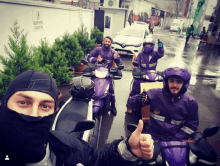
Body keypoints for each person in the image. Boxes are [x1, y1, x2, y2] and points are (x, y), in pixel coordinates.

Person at [0, 69, 154, 166]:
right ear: (5, 105)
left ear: (54, 110)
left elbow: (97, 160)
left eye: (45, 106)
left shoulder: (68, 146)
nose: (34, 114)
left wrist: (127, 150)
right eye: (23, 102)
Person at [128, 62, 199, 141]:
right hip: (153, 136)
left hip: (175, 139)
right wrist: (138, 99)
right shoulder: (154, 93)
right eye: (171, 81)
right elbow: (131, 104)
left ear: (184, 84)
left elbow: (191, 125)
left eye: (179, 81)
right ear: (166, 81)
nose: (175, 85)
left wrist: (177, 138)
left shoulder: (191, 102)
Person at [126, 37, 164, 114]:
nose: (147, 46)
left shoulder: (155, 53)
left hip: (152, 75)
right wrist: (136, 68)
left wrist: (161, 46)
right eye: (145, 45)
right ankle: (129, 106)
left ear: (152, 45)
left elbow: (161, 53)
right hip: (142, 75)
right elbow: (136, 63)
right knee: (135, 89)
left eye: (149, 45)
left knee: (159, 90)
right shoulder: (140, 54)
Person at [87, 36, 122, 115]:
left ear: (111, 43)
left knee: (111, 90)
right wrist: (96, 59)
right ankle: (87, 103)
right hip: (96, 73)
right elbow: (88, 58)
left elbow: (120, 63)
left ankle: (113, 106)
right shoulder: (97, 50)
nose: (107, 43)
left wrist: (116, 59)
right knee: (90, 87)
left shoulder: (113, 52)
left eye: (108, 41)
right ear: (103, 41)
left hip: (107, 74)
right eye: (105, 41)